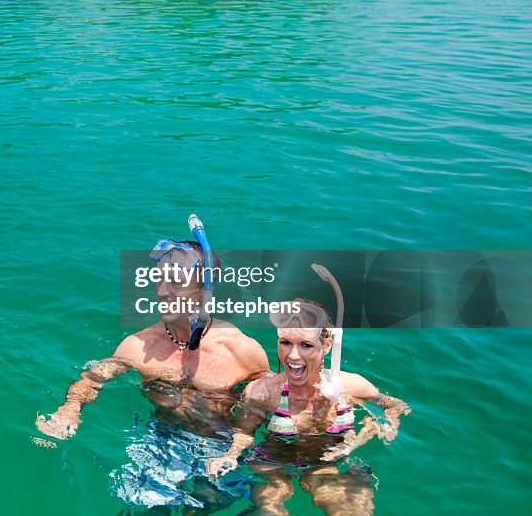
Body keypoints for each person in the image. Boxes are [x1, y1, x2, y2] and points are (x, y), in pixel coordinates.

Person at [36, 219, 270, 509]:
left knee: (210, 504)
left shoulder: (242, 352)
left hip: (223, 446)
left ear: (206, 288)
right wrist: (69, 410)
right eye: (159, 280)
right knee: (145, 507)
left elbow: (271, 400)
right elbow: (93, 378)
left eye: (174, 282)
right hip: (162, 437)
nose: (161, 291)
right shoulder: (138, 346)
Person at [207, 287, 411, 516]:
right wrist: (230, 456)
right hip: (273, 462)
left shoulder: (352, 386)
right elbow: (244, 433)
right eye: (285, 343)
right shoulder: (262, 393)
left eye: (306, 345)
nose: (293, 356)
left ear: (326, 346)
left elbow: (395, 406)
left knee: (350, 511)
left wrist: (386, 426)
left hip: (327, 465)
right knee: (270, 509)